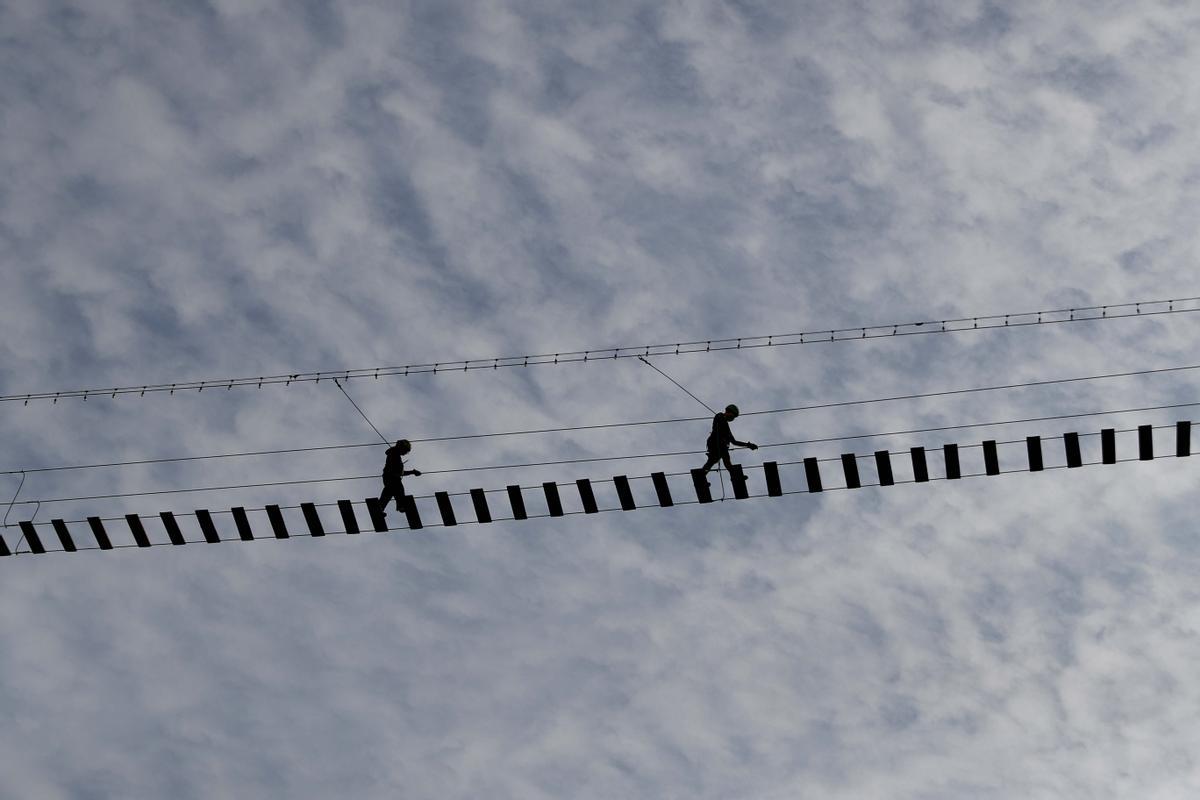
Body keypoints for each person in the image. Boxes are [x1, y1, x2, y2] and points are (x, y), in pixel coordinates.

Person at [699, 404, 758, 476]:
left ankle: (702, 474)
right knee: (724, 459)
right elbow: (716, 427)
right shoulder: (720, 416)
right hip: (715, 442)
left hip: (719, 445)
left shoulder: (726, 427)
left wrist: (748, 445)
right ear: (728, 411)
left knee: (715, 461)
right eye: (732, 416)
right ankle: (735, 475)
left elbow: (734, 442)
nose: (732, 418)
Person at [379, 439, 421, 514]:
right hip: (392, 477)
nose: (405, 453)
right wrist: (412, 472)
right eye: (405, 451)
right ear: (402, 448)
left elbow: (400, 472)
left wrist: (412, 472)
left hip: (389, 477)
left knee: (389, 492)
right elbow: (397, 471)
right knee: (398, 489)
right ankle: (401, 505)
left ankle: (380, 508)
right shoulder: (394, 454)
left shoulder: (394, 454)